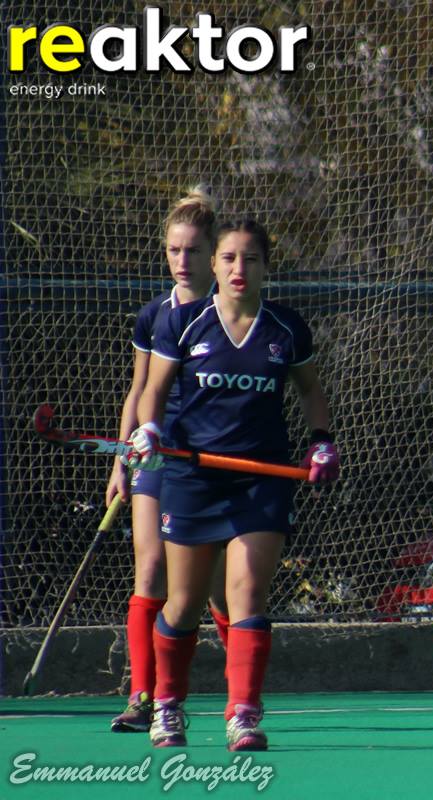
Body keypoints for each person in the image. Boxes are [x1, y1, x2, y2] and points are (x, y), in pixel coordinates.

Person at [123, 219, 340, 750]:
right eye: (228, 258)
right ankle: (167, 705)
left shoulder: (285, 329)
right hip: (192, 478)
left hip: (259, 481)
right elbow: (153, 390)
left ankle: (243, 714)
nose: (239, 269)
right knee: (183, 603)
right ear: (214, 265)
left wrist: (322, 442)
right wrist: (148, 430)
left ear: (266, 267)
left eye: (251, 259)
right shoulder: (184, 323)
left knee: (248, 594)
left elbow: (310, 391)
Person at [105, 188, 229, 733]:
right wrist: (121, 460)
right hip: (155, 456)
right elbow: (139, 391)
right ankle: (143, 696)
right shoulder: (154, 315)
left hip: (213, 456)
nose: (183, 261)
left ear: (212, 254)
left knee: (219, 587)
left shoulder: (230, 312)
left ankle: (240, 694)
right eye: (174, 250)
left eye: (193, 251)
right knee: (151, 569)